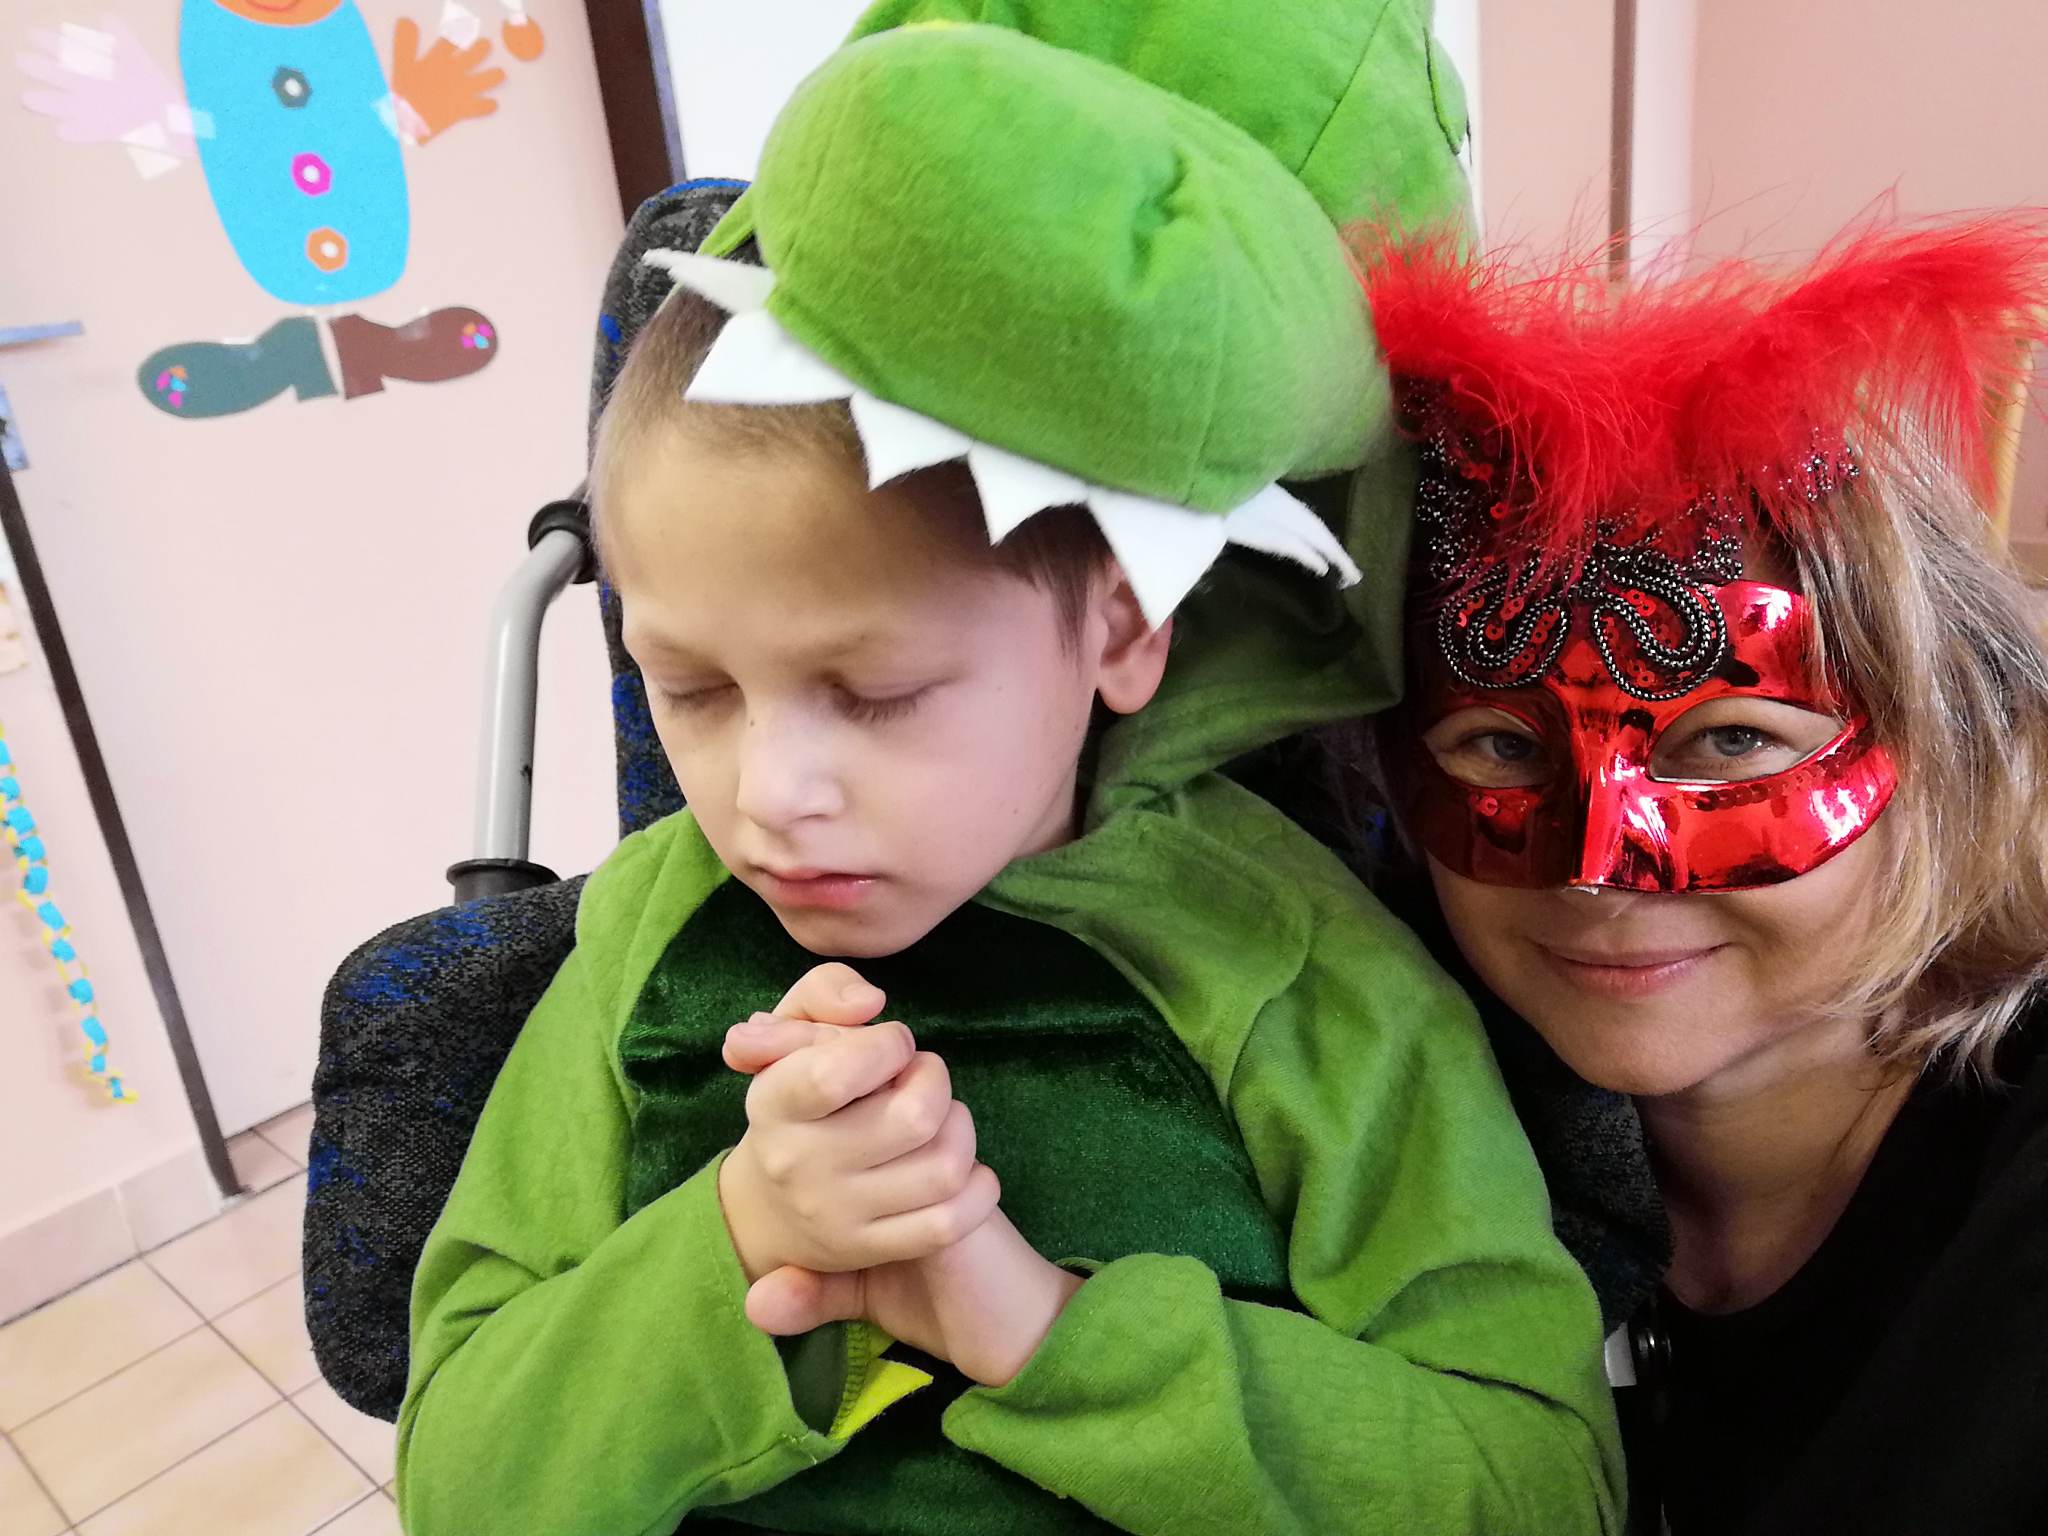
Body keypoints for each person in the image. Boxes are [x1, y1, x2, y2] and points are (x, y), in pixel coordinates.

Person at [394, 11, 1622, 1536]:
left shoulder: (1300, 977)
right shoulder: (644, 940)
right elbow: (460, 1485)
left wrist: (1044, 1331)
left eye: (878, 695)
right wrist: (741, 1238)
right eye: (691, 688)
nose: (768, 795)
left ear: (1123, 628)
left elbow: (1542, 1486)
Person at [1353, 216, 2048, 1535]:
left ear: (1943, 739)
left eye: (1729, 742)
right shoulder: (1401, 1142)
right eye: (1499, 744)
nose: (1596, 869)